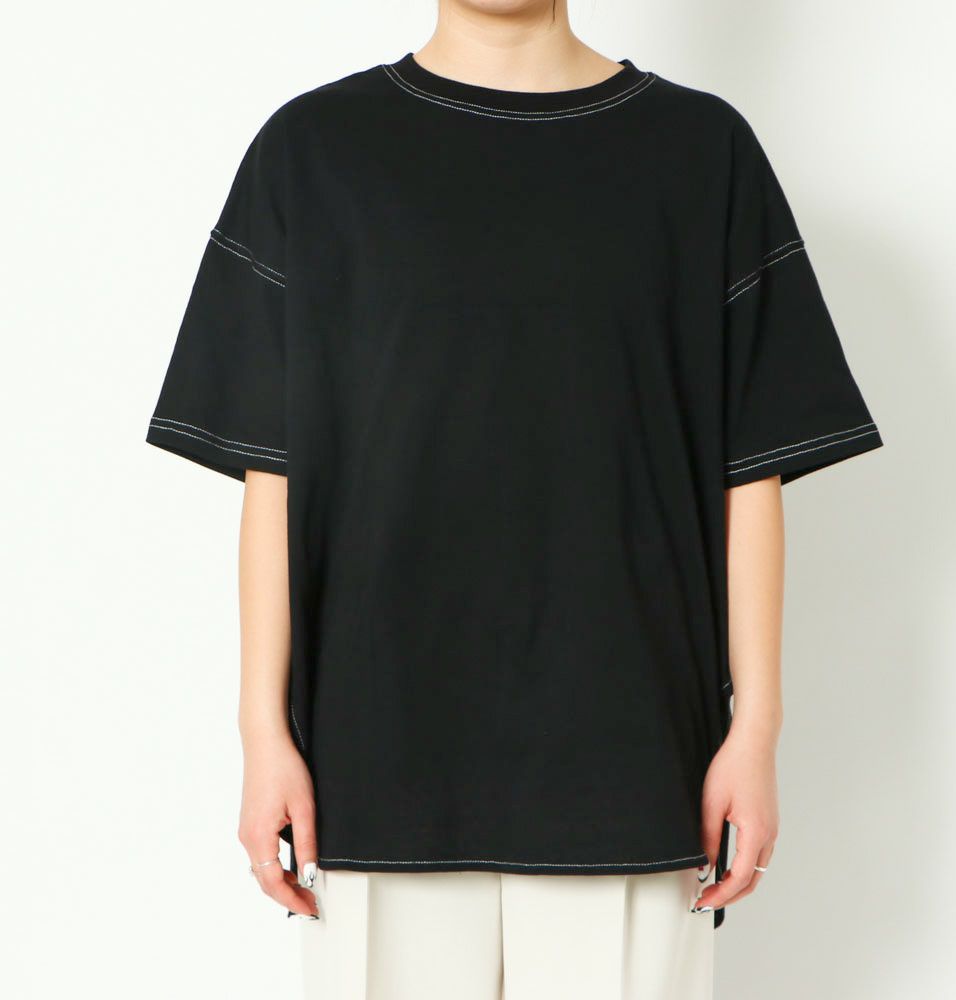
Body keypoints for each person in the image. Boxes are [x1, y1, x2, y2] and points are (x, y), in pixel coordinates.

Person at [145, 3, 883, 998]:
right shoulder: (313, 151)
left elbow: (749, 469)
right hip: (376, 753)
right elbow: (270, 472)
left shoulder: (701, 151)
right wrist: (260, 733)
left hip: (632, 749)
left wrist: (755, 731)